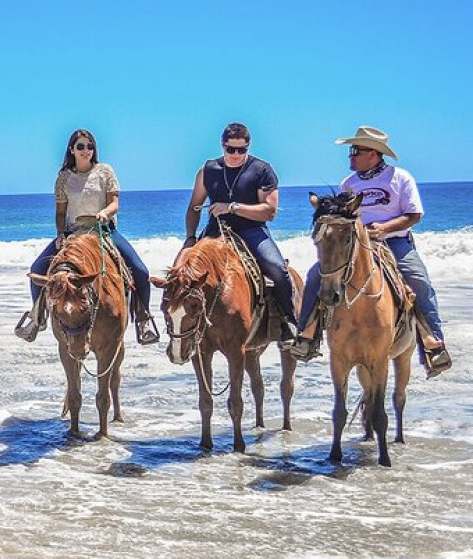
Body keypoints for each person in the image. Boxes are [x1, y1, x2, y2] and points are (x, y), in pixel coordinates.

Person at [291, 126, 452, 376]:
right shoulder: (349, 184)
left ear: (374, 154)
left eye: (356, 150)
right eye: (351, 150)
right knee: (316, 275)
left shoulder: (400, 177)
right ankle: (306, 335)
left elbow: (414, 215)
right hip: (355, 245)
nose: (350, 156)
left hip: (393, 242)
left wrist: (384, 228)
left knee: (419, 280)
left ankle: (434, 344)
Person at [14, 129, 157, 344]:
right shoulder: (64, 178)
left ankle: (144, 320)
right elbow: (60, 213)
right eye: (80, 146)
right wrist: (61, 234)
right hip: (74, 233)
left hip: (103, 231)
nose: (86, 150)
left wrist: (105, 213)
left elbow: (114, 203)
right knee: (37, 270)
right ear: (72, 149)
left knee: (139, 269)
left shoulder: (105, 172)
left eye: (89, 146)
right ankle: (37, 317)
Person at [181, 122, 299, 345]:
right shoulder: (208, 170)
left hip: (252, 229)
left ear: (248, 147)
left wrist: (232, 207)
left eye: (241, 150)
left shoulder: (262, 170)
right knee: (181, 273)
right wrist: (190, 237)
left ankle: (288, 321)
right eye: (230, 149)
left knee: (277, 267)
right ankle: (181, 330)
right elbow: (194, 207)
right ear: (223, 146)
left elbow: (269, 211)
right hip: (216, 232)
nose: (236, 155)